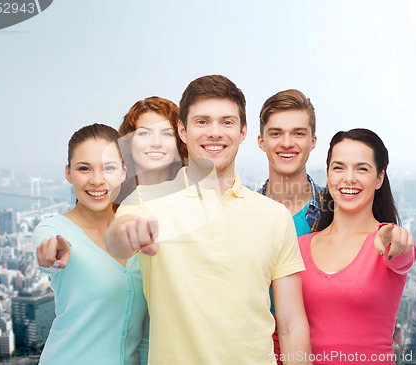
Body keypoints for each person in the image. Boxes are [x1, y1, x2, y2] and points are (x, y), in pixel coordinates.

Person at [105, 75, 313, 365]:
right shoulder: (146, 201)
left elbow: (291, 324)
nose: (215, 132)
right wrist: (128, 233)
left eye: (227, 122)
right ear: (183, 131)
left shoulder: (275, 217)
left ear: (243, 132)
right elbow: (116, 238)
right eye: (202, 122)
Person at [293, 128, 416, 364]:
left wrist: (393, 236)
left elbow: (404, 254)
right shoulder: (298, 246)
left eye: (362, 168)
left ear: (379, 178)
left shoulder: (387, 242)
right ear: (328, 174)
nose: (348, 178)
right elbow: (282, 334)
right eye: (338, 167)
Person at [32, 124, 149, 365]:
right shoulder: (54, 230)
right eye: (84, 169)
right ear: (68, 173)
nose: (97, 180)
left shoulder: (138, 231)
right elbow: (48, 254)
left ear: (123, 172)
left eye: (109, 168)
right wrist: (50, 258)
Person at [257, 89, 322, 237]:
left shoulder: (338, 208)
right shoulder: (242, 213)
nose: (287, 143)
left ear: (312, 142)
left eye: (298, 133)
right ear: (262, 142)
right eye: (276, 134)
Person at [114, 97, 188, 207]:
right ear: (129, 142)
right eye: (144, 133)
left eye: (166, 134)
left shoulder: (196, 197)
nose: (156, 143)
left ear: (178, 142)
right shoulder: (108, 200)